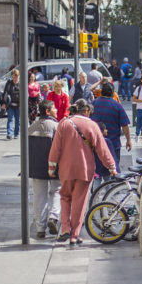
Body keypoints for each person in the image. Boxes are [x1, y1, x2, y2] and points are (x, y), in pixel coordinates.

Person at [48, 99, 117, 245]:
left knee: (65, 197)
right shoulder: (92, 125)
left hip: (66, 169)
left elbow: (56, 148)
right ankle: (74, 235)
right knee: (80, 202)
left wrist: (52, 166)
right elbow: (102, 149)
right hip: (84, 169)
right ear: (86, 111)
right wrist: (111, 166)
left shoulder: (64, 123)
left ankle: (65, 229)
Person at [29, 100, 61, 239]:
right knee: (57, 191)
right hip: (54, 167)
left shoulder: (31, 126)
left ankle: (40, 228)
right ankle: (53, 217)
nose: (56, 110)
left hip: (36, 167)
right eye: (54, 108)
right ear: (47, 111)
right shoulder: (56, 126)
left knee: (38, 196)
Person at [91, 82, 132, 163]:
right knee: (113, 169)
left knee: (98, 170)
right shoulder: (117, 106)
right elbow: (125, 125)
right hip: (113, 144)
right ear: (113, 93)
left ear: (102, 92)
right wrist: (128, 140)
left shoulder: (93, 104)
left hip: (96, 144)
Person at [92, 121, 119, 191]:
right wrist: (115, 168)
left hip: (96, 168)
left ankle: (94, 199)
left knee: (96, 184)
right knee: (108, 184)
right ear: (101, 131)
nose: (106, 130)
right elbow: (111, 155)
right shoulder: (107, 141)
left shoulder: (92, 142)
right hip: (107, 168)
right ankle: (108, 199)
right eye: (105, 129)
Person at [3, 69, 21, 139]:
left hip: (19, 105)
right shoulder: (9, 83)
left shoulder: (21, 83)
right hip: (10, 104)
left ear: (18, 76)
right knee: (10, 119)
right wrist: (4, 102)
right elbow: (6, 92)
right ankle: (9, 134)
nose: (14, 79)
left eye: (16, 77)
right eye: (13, 77)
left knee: (18, 120)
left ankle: (16, 133)